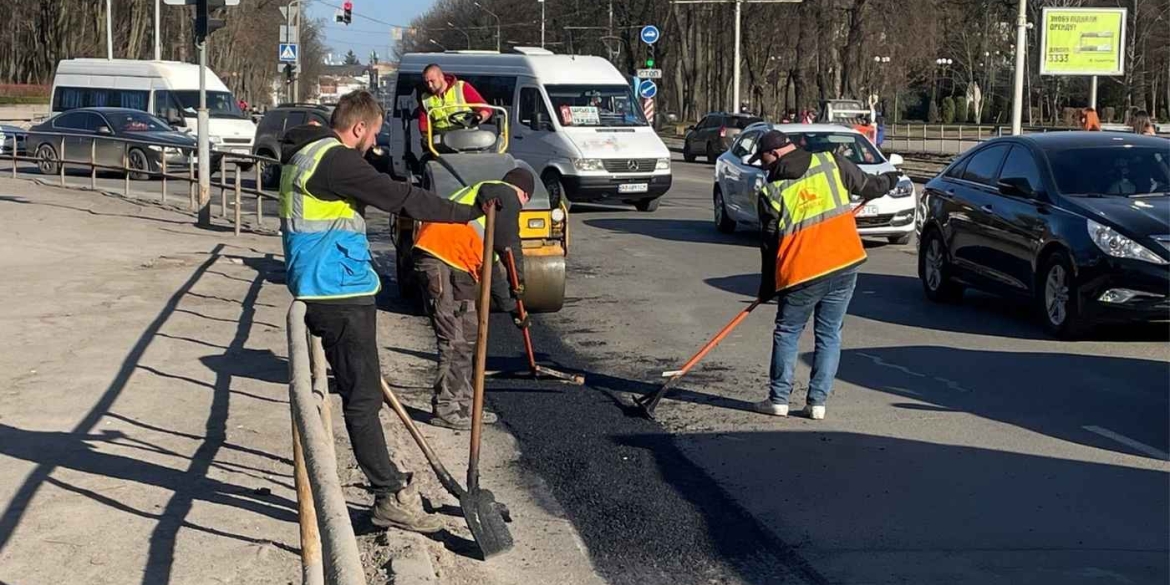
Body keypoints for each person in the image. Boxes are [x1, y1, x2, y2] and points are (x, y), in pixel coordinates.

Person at [279, 90, 491, 533]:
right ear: (358, 127)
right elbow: (401, 198)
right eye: (373, 134)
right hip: (337, 290)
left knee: (363, 391)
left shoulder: (306, 154)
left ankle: (388, 484)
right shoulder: (336, 160)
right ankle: (388, 494)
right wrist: (466, 211)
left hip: (321, 282)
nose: (373, 143)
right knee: (363, 400)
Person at [750, 130, 900, 420]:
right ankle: (817, 403)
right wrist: (891, 179)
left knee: (787, 332)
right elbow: (870, 186)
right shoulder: (831, 162)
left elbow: (769, 246)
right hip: (844, 262)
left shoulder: (772, 191)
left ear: (777, 153)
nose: (764, 167)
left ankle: (779, 399)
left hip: (801, 272)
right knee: (829, 335)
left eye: (765, 160)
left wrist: (767, 287)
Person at [412, 168, 532, 429]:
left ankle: (467, 406)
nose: (519, 210)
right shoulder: (502, 192)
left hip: (460, 264)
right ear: (524, 193)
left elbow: (496, 269)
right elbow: (510, 245)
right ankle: (445, 407)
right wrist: (520, 283)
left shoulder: (491, 220)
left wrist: (513, 308)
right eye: (525, 203)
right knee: (453, 339)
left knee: (468, 335)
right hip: (438, 256)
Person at [416, 64, 493, 148]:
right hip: (441, 139)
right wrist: (425, 136)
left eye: (432, 81)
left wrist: (476, 118)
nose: (430, 85)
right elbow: (423, 121)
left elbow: (486, 109)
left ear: (441, 77)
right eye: (426, 82)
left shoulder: (461, 87)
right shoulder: (425, 98)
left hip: (466, 134)